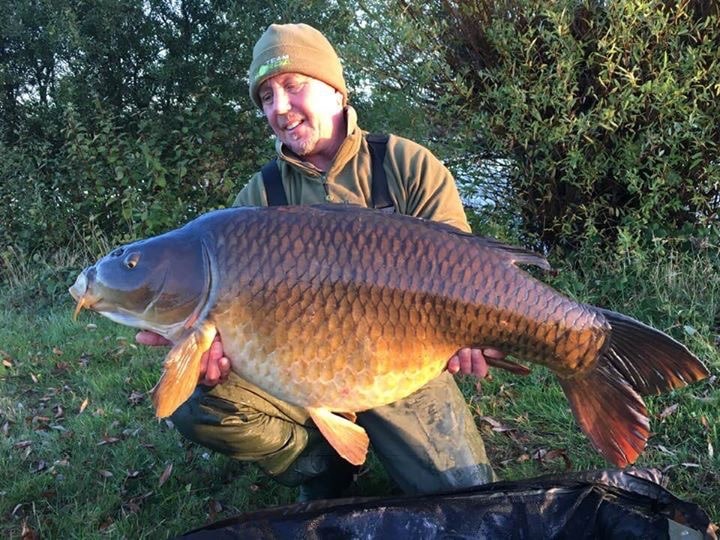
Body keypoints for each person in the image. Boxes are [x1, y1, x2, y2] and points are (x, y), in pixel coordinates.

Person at [137, 22, 506, 501]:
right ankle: (323, 465)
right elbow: (224, 315)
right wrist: (209, 357)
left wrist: (470, 335)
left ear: (335, 90)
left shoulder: (405, 165)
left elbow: (468, 280)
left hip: (400, 373)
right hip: (296, 377)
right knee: (196, 401)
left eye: (293, 86)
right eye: (267, 96)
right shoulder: (256, 199)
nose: (280, 108)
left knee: (464, 497)